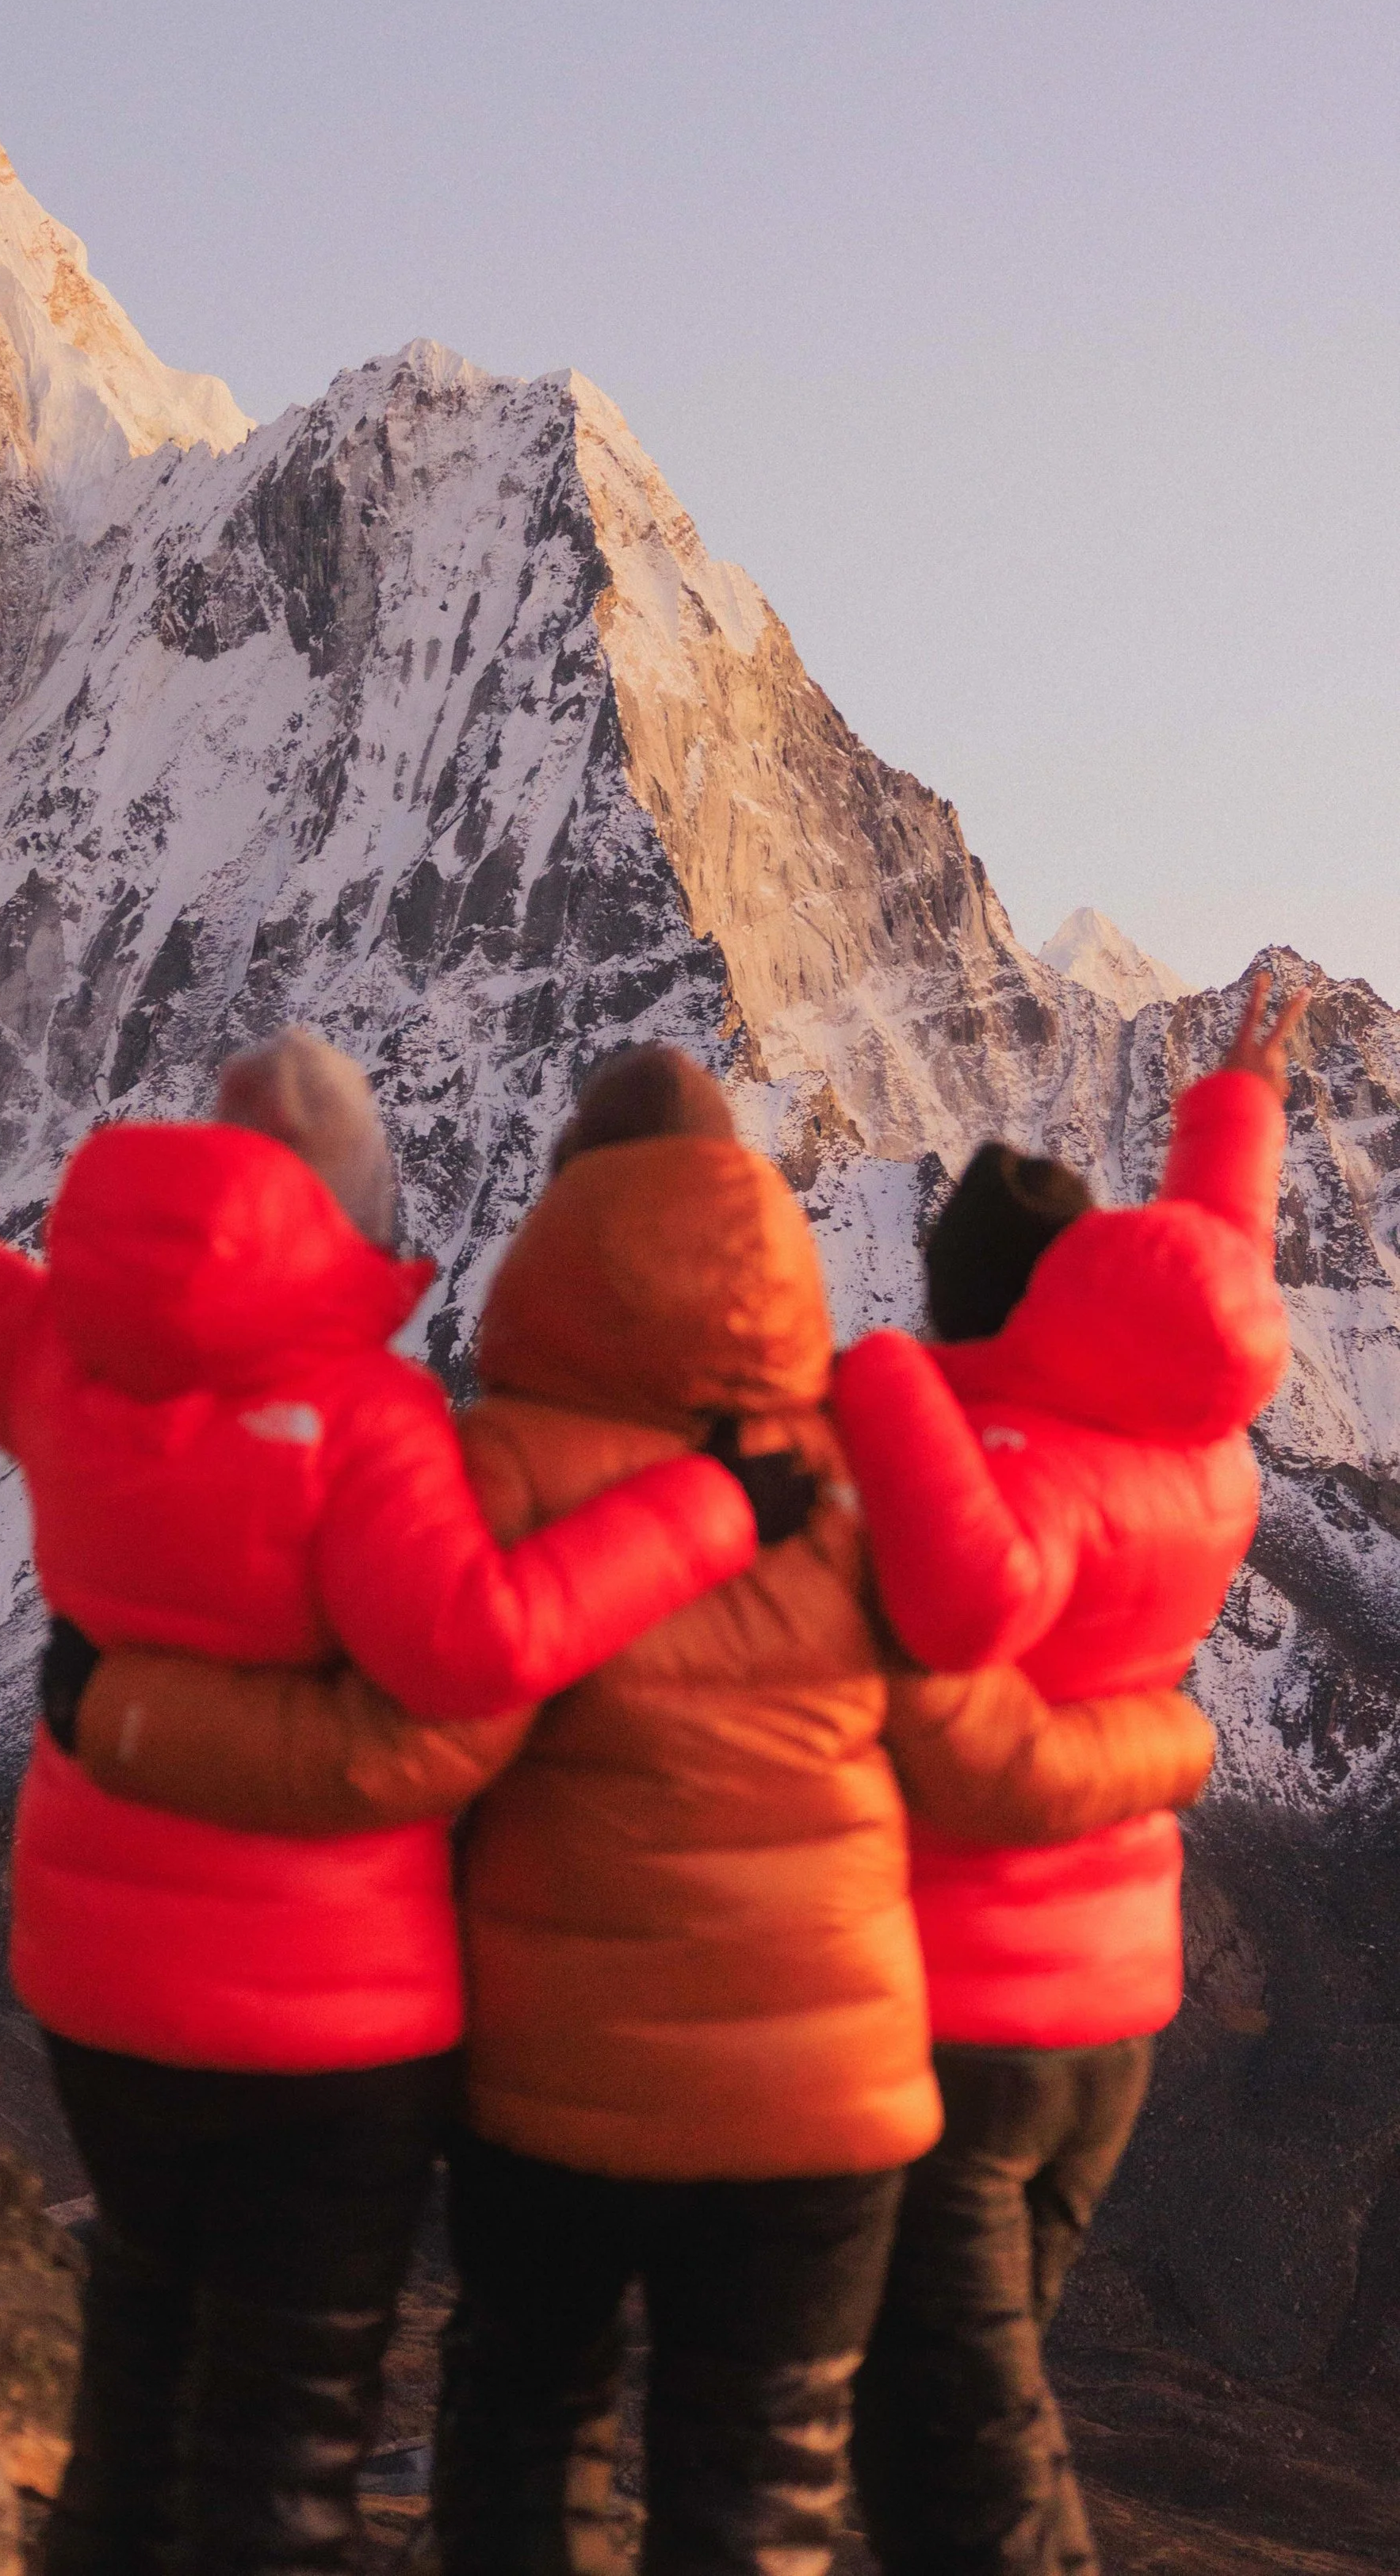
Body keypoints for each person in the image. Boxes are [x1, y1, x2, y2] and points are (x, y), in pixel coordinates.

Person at [74, 1048, 1226, 2576]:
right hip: (830, 2101)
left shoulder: (490, 1468)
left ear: (560, 1249)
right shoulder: (871, 1475)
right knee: (762, 2496)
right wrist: (1172, 1733)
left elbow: (407, 1750)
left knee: (527, 2437)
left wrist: (120, 1711)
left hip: (555, 2085)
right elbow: (976, 1744)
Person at [0, 839, 757, 2576]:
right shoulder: (364, 1417)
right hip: (333, 2021)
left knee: (138, 2355)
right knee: (284, 2435)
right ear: (356, 1217)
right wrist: (706, 1507)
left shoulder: (61, 1345)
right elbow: (465, 1642)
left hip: (96, 1978)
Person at [832, 972, 1307, 2576]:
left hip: (967, 2021)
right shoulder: (1188, 1439)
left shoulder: (1014, 1475)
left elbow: (967, 1596)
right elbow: (1212, 1268)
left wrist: (885, 1384)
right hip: (1106, 2001)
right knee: (961, 2395)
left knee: (950, 2432)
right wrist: (1234, 1112)